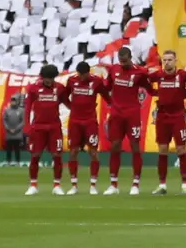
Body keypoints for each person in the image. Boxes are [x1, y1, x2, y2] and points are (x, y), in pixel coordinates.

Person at [146, 50, 186, 194]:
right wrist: (153, 93)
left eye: (169, 60)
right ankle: (162, 185)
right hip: (162, 117)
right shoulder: (157, 75)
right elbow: (144, 79)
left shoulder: (183, 75)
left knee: (181, 149)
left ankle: (185, 184)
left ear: (175, 60)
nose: (167, 62)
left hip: (178, 116)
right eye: (164, 60)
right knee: (162, 150)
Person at [104, 46, 149, 195]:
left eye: (125, 61)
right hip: (116, 114)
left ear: (130, 58)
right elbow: (107, 87)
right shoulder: (113, 70)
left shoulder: (140, 72)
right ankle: (113, 184)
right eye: (120, 61)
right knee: (115, 146)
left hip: (132, 115)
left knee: (135, 146)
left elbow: (149, 88)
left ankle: (135, 183)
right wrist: (111, 102)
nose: (122, 64)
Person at [62, 59, 106, 194]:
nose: (82, 77)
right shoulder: (71, 81)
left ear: (88, 72)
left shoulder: (96, 81)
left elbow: (106, 95)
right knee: (73, 152)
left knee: (93, 152)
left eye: (84, 75)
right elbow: (64, 97)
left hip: (90, 121)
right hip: (75, 122)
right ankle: (74, 185)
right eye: (80, 75)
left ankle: (93, 185)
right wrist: (72, 107)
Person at [22, 63, 66, 196]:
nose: (49, 80)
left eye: (51, 78)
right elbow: (28, 108)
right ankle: (33, 185)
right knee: (35, 156)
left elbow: (67, 103)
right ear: (42, 77)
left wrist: (78, 110)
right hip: (38, 128)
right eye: (47, 78)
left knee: (57, 156)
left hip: (54, 128)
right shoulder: (33, 88)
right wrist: (27, 126)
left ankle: (57, 185)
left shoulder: (60, 88)